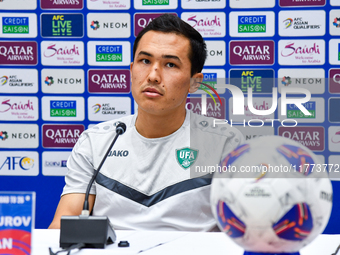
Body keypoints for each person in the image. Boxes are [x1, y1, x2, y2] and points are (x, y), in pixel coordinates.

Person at [49, 14, 244, 231]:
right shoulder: (96, 143)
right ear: (132, 69)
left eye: (170, 64)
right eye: (145, 61)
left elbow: (244, 229)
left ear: (194, 82)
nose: (153, 75)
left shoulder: (225, 144)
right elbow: (62, 228)